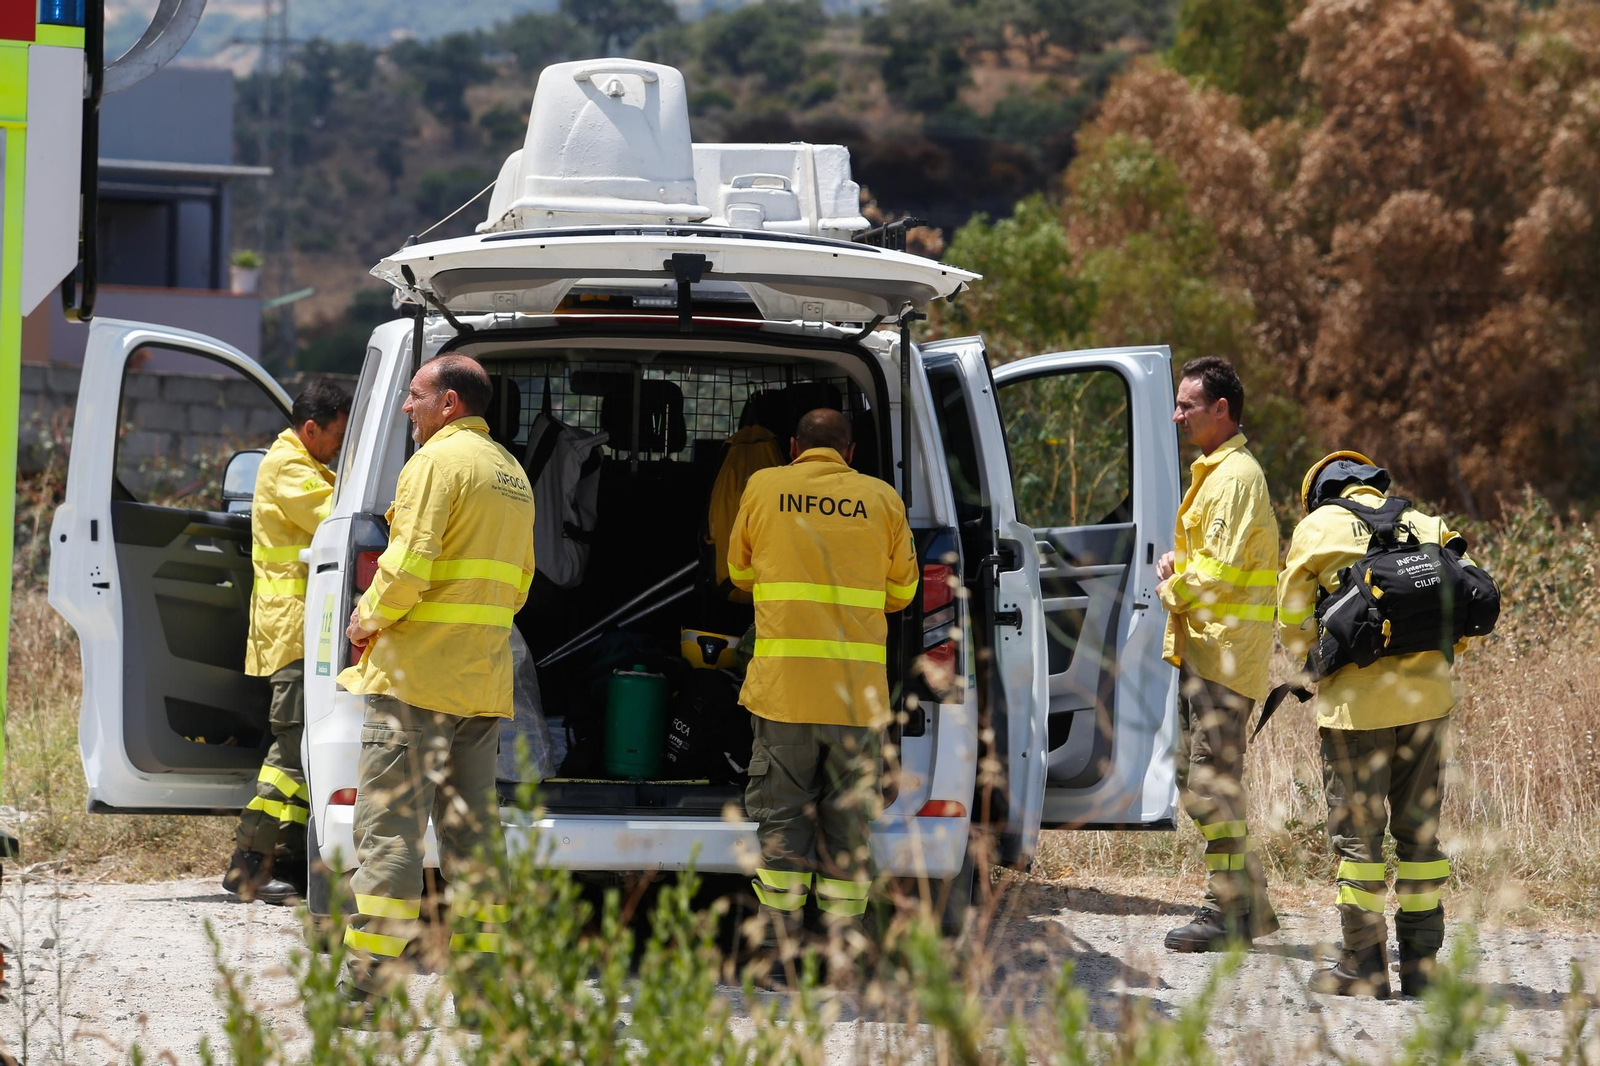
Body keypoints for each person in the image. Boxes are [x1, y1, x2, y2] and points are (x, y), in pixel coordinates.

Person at [336, 354, 535, 1003]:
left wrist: (364, 619)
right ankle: (482, 994)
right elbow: (522, 584)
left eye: (415, 395)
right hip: (481, 685)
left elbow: (409, 564)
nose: (405, 407)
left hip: (418, 679)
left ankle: (365, 986)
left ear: (449, 403)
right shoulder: (512, 474)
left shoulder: (435, 464)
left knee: (390, 828)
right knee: (474, 838)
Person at [1279, 452, 1482, 999]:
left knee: (1359, 845)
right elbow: (1460, 613)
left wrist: (1315, 664)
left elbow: (1292, 624)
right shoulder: (1426, 522)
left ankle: (1363, 967)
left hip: (1356, 712)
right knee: (1420, 838)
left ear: (1321, 492)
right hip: (1428, 705)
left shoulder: (1316, 529)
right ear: (1371, 482)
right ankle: (1422, 969)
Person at [727, 407, 918, 977]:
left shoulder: (765, 486)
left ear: (793, 445)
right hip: (856, 700)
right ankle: (843, 957)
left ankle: (778, 958)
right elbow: (904, 592)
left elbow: (738, 574)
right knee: (847, 826)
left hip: (783, 694)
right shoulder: (882, 499)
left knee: (783, 826)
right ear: (850, 452)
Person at [1156, 356, 1280, 952]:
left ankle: (1227, 912)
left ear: (1221, 409)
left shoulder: (1234, 478)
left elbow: (1220, 575)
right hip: (1210, 653)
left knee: (1211, 784)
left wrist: (1170, 586)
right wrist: (1180, 567)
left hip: (1225, 658)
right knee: (1198, 779)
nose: (1178, 415)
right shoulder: (1215, 472)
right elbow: (1212, 561)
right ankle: (1245, 905)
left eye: (1188, 406)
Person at [223, 379, 349, 904]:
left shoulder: (305, 461)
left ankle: (284, 864)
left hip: (303, 629)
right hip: (295, 630)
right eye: (337, 436)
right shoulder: (290, 467)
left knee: (301, 754)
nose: (340, 445)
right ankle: (248, 867)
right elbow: (337, 517)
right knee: (290, 755)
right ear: (311, 428)